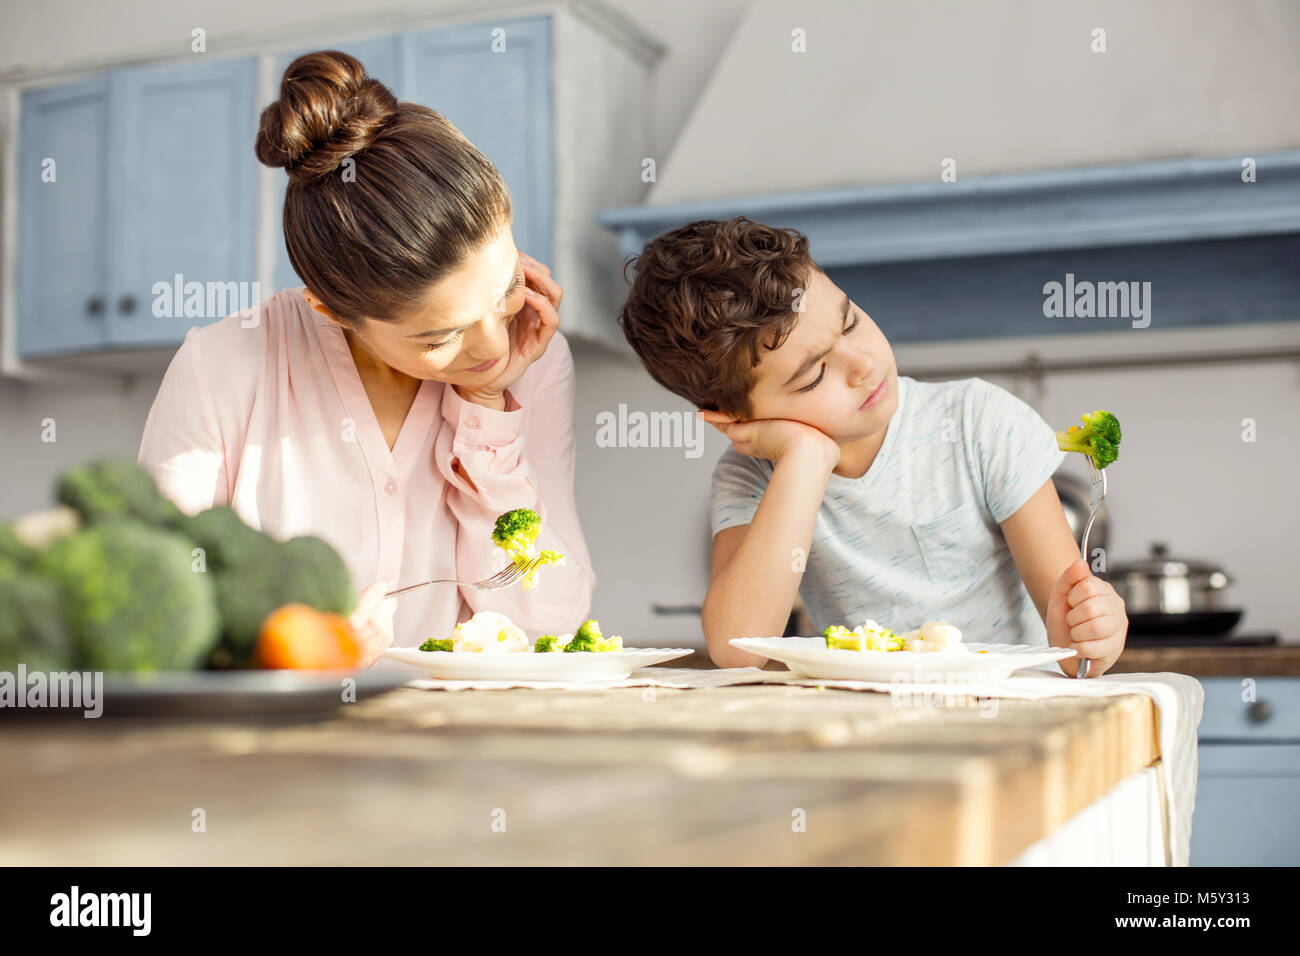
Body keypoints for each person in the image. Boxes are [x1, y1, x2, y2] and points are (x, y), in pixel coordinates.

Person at [137, 50, 594, 667]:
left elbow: (554, 627)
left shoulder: (534, 362)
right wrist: (289, 645)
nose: (492, 347)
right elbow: (157, 615)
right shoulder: (222, 365)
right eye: (440, 338)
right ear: (330, 309)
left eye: (508, 287)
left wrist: (489, 415)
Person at [616, 217, 1127, 675]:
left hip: (1007, 714)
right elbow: (738, 648)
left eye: (850, 321)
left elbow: (1069, 634)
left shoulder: (980, 422)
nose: (861, 363)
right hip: (865, 724)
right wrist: (806, 458)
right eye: (814, 374)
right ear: (735, 418)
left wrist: (1092, 630)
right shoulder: (753, 475)